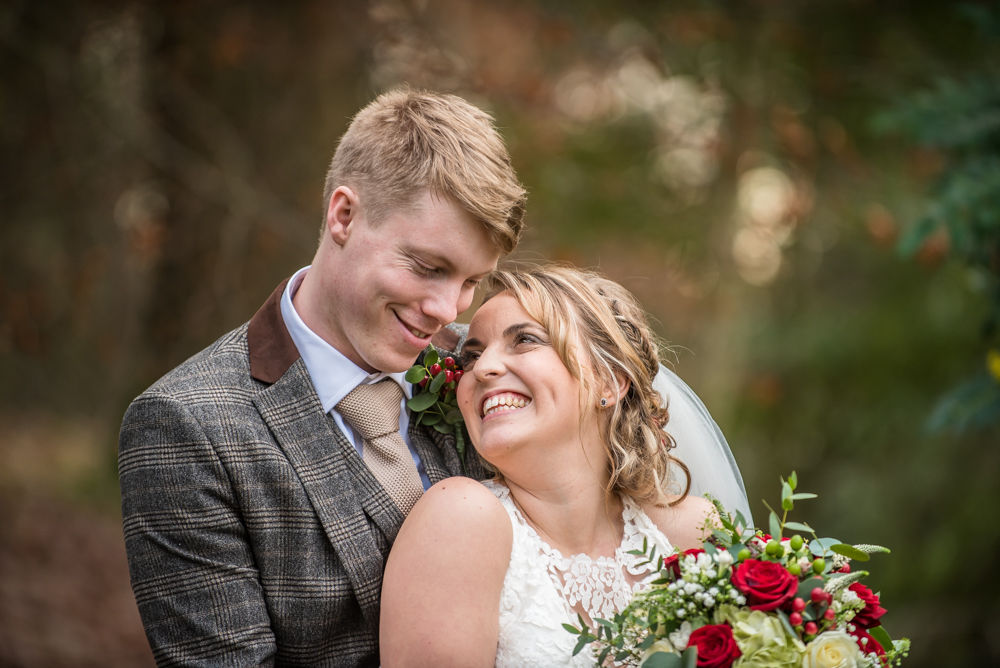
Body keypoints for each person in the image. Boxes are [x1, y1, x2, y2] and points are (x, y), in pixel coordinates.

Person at [118, 88, 527, 666]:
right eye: (427, 267)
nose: (446, 310)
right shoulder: (187, 427)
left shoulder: (489, 370)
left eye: (471, 282)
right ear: (344, 216)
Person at [380, 265, 729, 667]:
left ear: (609, 381)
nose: (483, 368)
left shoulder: (690, 532)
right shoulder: (460, 517)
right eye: (471, 356)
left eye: (525, 340)